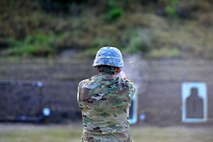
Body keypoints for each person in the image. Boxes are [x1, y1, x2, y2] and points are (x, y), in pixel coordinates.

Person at [77, 46, 136, 142]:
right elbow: (128, 87)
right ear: (117, 69)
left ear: (97, 66)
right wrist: (122, 78)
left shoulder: (83, 86)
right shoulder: (126, 87)